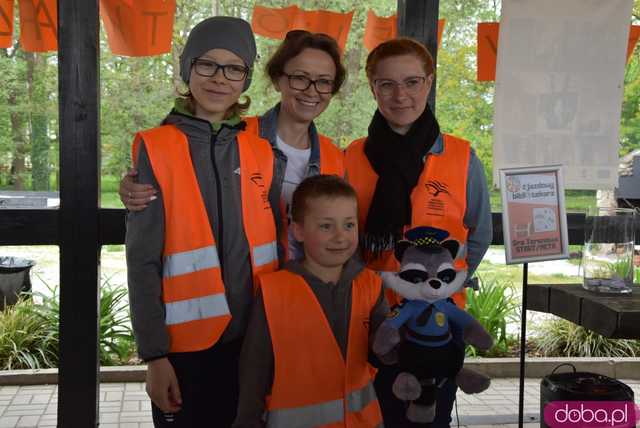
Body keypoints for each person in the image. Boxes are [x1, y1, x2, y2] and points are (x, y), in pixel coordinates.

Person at [125, 17, 279, 427]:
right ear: (187, 69)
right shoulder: (155, 148)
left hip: (255, 343)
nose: (219, 78)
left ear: (245, 78)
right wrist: (154, 356)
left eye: (234, 68)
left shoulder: (260, 148)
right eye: (206, 64)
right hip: (184, 350)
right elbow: (142, 262)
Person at [344, 38, 492, 427]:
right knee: (372, 416)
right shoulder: (350, 158)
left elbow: (478, 235)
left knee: (428, 417)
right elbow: (342, 242)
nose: (400, 95)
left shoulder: (461, 157)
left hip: (436, 325)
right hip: (371, 321)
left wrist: (441, 286)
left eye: (412, 82)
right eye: (386, 84)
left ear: (429, 83)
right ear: (372, 87)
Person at [120, 30, 347, 262]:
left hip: (306, 286)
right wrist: (134, 189)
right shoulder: (231, 137)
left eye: (324, 82)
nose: (311, 90)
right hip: (248, 284)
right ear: (278, 80)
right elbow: (180, 178)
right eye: (300, 78)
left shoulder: (336, 157)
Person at [233, 174, 389, 428]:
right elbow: (255, 370)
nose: (341, 236)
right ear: (298, 230)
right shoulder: (274, 291)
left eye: (349, 225)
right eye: (326, 226)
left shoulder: (371, 284)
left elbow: (385, 350)